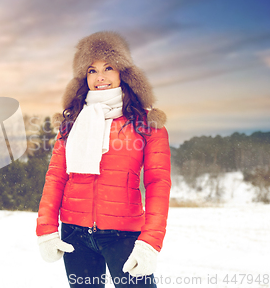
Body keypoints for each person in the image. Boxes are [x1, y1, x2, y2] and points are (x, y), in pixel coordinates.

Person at [36, 31, 171, 288]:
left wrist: (150, 243)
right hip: (75, 234)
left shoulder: (147, 123)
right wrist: (46, 230)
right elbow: (56, 177)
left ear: (123, 72)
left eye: (108, 67)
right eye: (91, 70)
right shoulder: (72, 123)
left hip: (125, 236)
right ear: (83, 78)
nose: (100, 77)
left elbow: (158, 183)